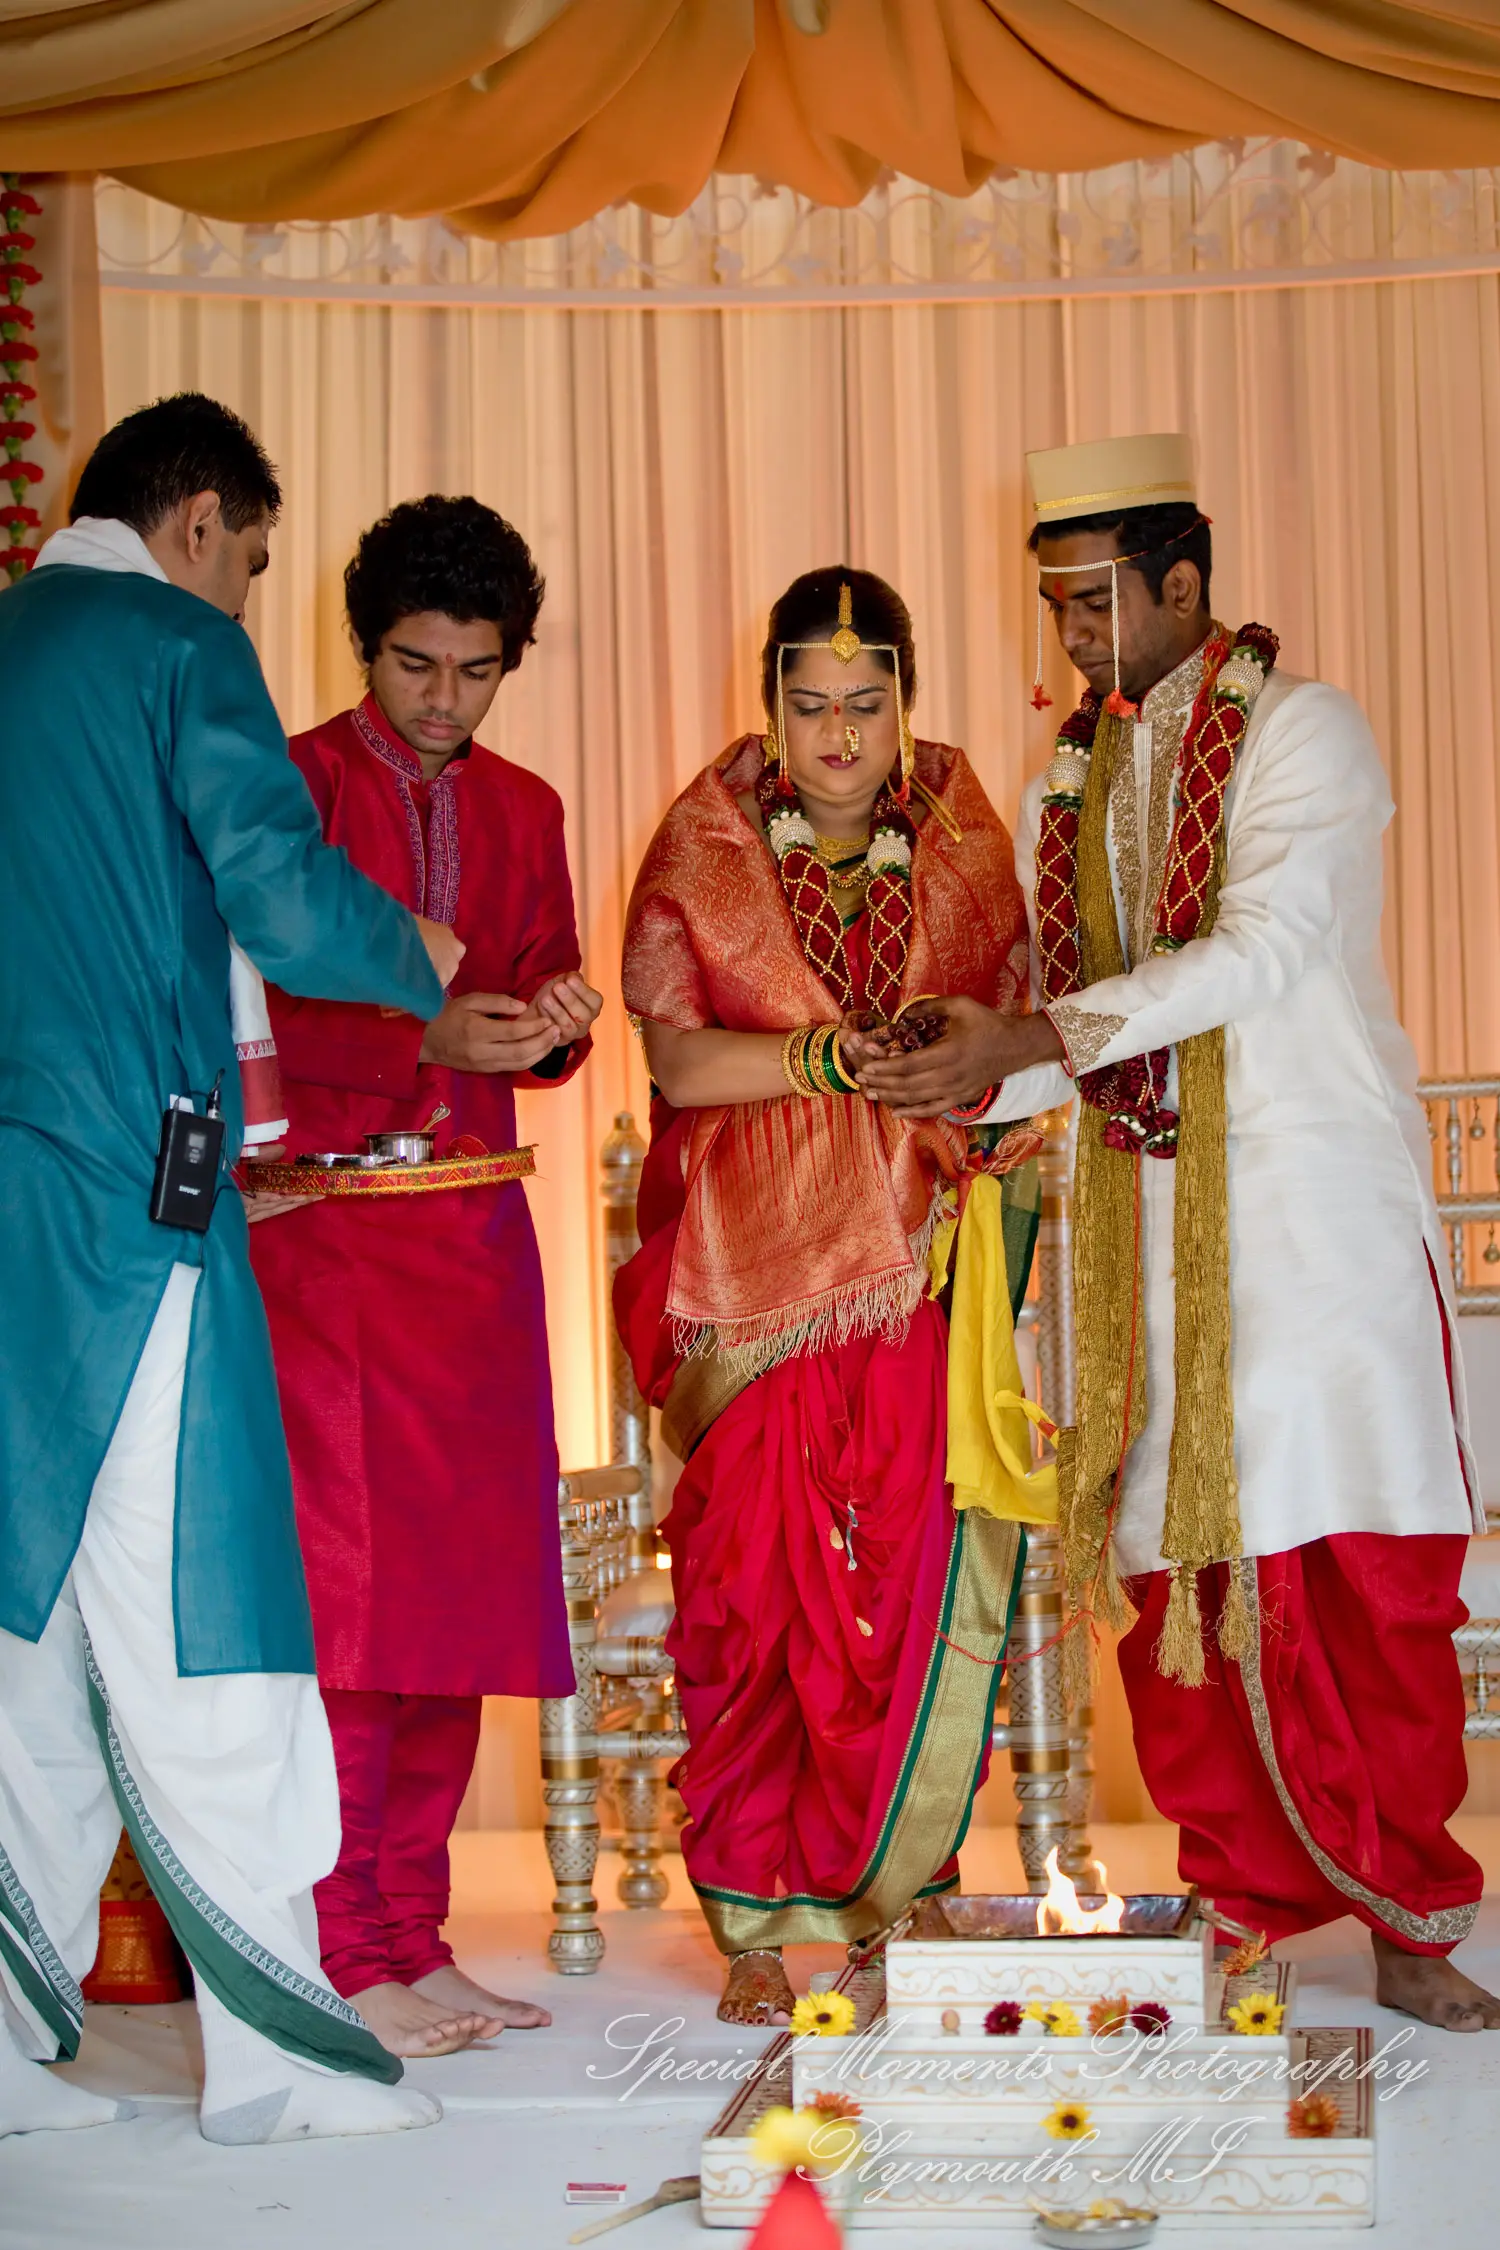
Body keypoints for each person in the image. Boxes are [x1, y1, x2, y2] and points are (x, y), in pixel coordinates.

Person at [856, 434, 1498, 2033]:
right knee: (1181, 1565)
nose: (1070, 634)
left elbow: (1265, 945)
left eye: (1094, 599)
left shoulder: (1308, 731)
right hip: (1139, 1219)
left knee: (1361, 1561)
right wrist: (958, 1083)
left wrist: (1026, 1041)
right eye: (1052, 603)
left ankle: (1412, 1911)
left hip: (1312, 1209)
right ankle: (1245, 1891)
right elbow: (1058, 1034)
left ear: (1184, 584)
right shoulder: (1068, 776)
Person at [0, 391, 469, 2146]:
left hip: (7, 1209)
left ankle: (10, 2057)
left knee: (17, 1628)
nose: (250, 600)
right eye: (254, 561)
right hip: (135, 1202)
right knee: (213, 1626)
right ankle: (286, 2064)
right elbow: (273, 884)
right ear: (199, 519)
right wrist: (408, 946)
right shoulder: (170, 642)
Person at [615, 566, 1053, 2027]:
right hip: (752, 1282)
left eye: (868, 705)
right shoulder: (707, 845)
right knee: (750, 1596)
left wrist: (955, 1080)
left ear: (908, 702)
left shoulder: (972, 840)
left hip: (919, 1272)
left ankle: (899, 1882)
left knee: (908, 1585)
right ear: (772, 708)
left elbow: (1019, 1039)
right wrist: (823, 1066)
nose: (841, 735)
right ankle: (748, 1910)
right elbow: (681, 1067)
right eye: (811, 706)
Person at [246, 496, 600, 2057]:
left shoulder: (524, 806)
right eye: (415, 663)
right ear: (363, 644)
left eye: (475, 669)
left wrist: (557, 1024)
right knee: (355, 1613)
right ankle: (339, 1946)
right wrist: (420, 1038)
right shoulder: (292, 787)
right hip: (326, 1245)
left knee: (454, 1611)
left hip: (473, 1240)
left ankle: (415, 1931)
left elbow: (536, 992)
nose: (444, 698)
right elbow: (244, 1010)